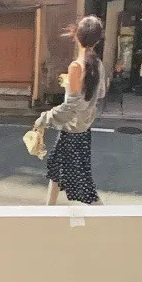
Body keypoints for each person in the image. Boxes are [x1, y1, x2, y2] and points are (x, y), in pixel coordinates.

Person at [34, 14, 107, 206]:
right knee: (56, 173)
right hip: (82, 130)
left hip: (72, 132)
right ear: (97, 40)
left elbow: (71, 106)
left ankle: (105, 216)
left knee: (84, 188)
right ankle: (48, 211)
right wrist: (71, 84)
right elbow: (99, 93)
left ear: (76, 35)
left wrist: (45, 117)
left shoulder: (76, 66)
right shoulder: (97, 65)